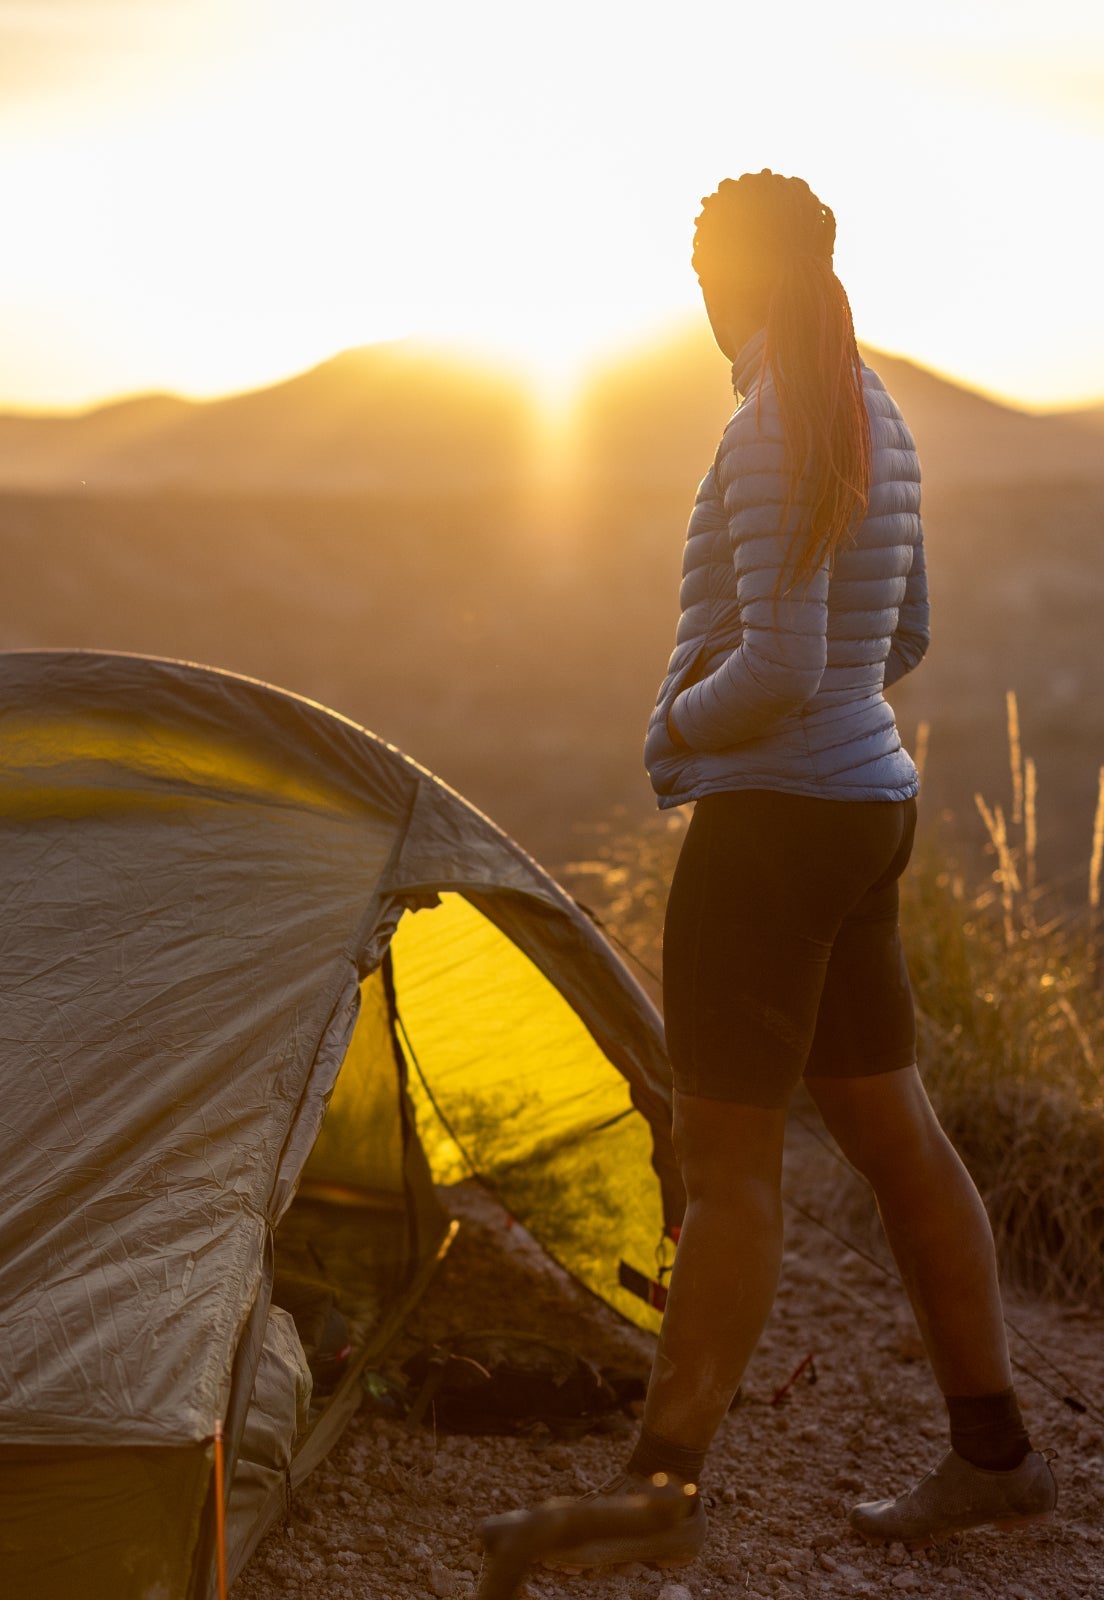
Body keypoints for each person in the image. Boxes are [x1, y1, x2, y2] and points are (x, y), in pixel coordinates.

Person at [558, 170, 1056, 1568]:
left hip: (775, 827)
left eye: (703, 266)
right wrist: (830, 713)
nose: (698, 294)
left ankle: (656, 1500)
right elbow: (900, 640)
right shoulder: (871, 408)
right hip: (863, 806)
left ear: (738, 275)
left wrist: (672, 727)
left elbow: (778, 662)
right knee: (897, 1138)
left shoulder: (776, 422)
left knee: (726, 1168)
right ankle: (993, 1455)